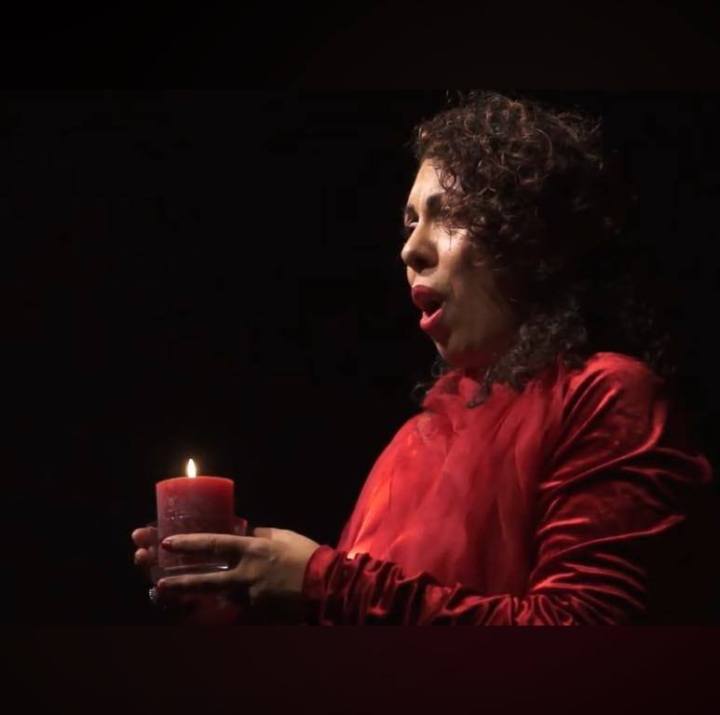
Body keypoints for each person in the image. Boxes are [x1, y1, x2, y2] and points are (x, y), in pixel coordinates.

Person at [132, 91, 717, 625]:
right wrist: (245, 599)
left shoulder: (606, 395)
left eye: (451, 214)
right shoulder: (409, 444)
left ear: (531, 240)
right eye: (411, 221)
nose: (411, 249)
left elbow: (587, 639)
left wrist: (319, 582)